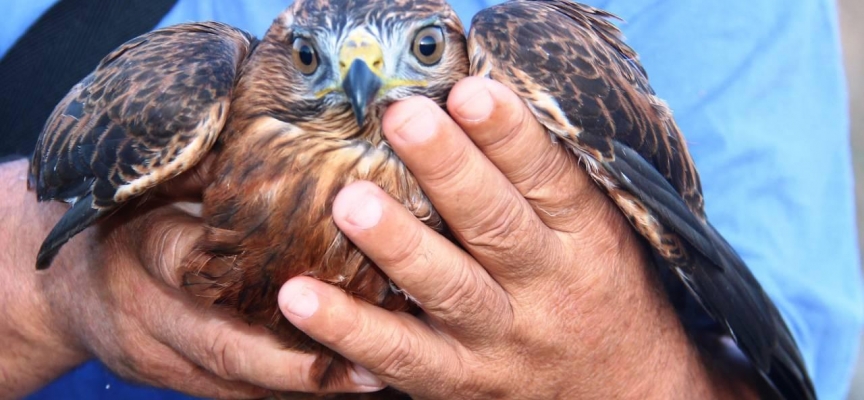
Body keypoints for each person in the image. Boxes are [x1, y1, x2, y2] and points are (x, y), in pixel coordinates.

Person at [1, 0, 860, 399]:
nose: (364, 82)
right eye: (313, 62)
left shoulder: (544, 49)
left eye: (420, 48)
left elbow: (774, 372)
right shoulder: (187, 84)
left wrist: (629, 371)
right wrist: (49, 289)